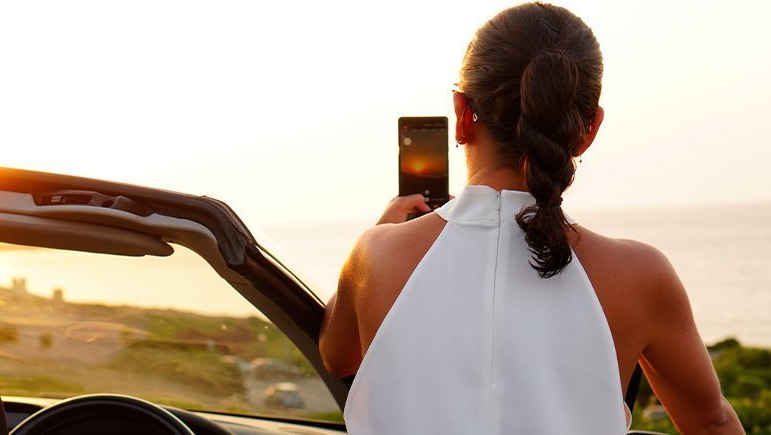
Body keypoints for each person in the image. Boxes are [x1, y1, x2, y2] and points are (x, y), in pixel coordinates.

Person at [318, 3, 745, 434]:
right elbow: (711, 422)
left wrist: (382, 233)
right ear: (588, 130)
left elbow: (337, 358)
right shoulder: (639, 275)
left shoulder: (377, 254)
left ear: (462, 115)